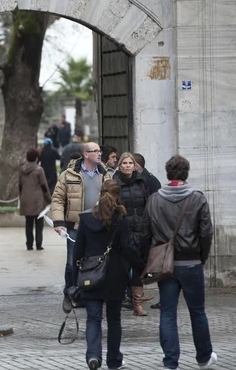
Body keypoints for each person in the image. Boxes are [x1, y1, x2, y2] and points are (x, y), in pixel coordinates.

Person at [139, 155, 217, 370]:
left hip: (165, 265)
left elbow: (145, 233)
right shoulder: (198, 198)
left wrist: (147, 259)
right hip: (191, 262)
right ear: (187, 173)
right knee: (198, 312)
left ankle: (170, 362)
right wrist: (201, 257)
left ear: (167, 173)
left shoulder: (154, 199)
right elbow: (206, 232)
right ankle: (203, 357)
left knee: (167, 313)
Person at [71, 180, 145, 370]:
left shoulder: (86, 219)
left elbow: (77, 252)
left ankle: (93, 356)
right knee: (114, 320)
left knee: (93, 319)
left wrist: (73, 282)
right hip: (115, 274)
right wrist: (142, 269)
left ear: (99, 194)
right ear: (118, 196)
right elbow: (128, 248)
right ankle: (114, 360)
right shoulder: (121, 218)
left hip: (91, 274)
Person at [52, 142, 107, 313]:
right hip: (76, 226)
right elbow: (58, 199)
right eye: (95, 151)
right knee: (72, 263)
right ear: (85, 154)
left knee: (97, 262)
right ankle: (70, 294)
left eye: (100, 151)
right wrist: (59, 223)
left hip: (99, 226)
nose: (99, 154)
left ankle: (91, 294)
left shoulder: (106, 175)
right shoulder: (69, 175)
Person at [112, 152, 156, 316]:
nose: (128, 165)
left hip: (141, 231)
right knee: (122, 268)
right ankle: (119, 300)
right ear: (120, 165)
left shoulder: (142, 182)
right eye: (125, 163)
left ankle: (137, 304)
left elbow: (150, 202)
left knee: (139, 267)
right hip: (123, 231)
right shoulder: (114, 183)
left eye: (131, 163)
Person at [133, 152, 163, 310]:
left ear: (136, 165)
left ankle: (163, 298)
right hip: (143, 228)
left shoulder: (148, 180)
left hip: (149, 229)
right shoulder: (143, 179)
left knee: (154, 264)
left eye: (130, 163)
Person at [19, 149, 52, 250]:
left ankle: (29, 244)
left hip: (25, 198)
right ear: (37, 158)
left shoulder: (22, 170)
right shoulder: (39, 170)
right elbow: (43, 186)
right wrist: (49, 199)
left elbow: (20, 185)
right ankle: (38, 244)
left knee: (28, 223)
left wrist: (21, 197)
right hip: (38, 200)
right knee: (39, 223)